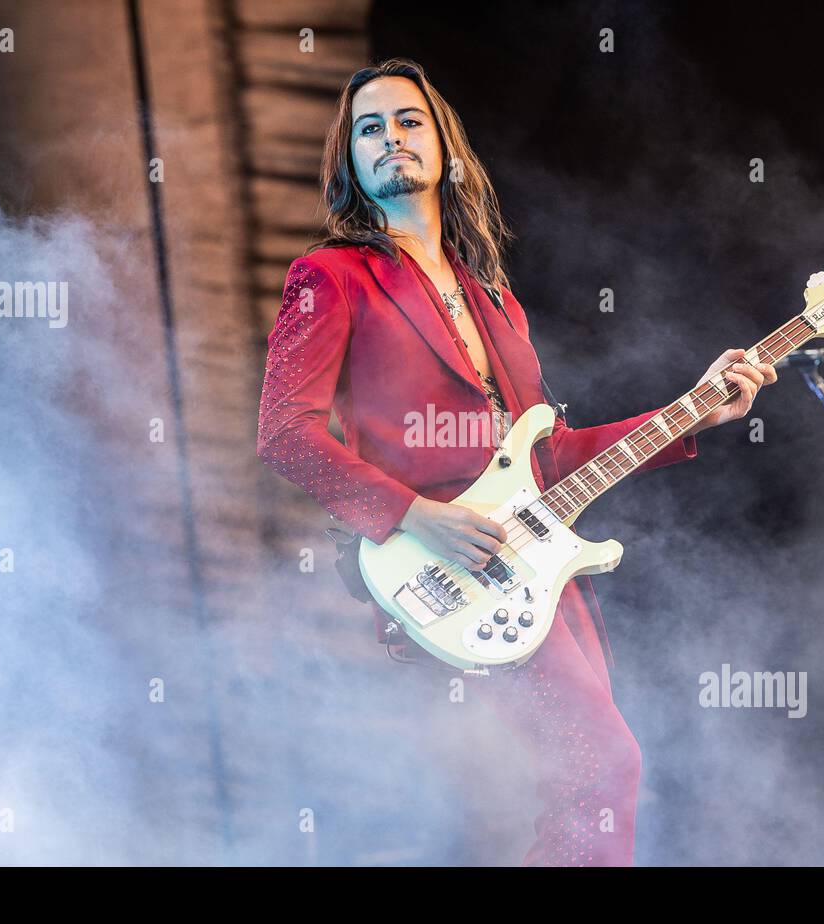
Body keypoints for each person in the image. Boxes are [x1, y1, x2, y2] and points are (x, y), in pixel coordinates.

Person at [257, 58, 777, 865]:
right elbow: (284, 434)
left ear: (446, 150)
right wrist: (413, 516)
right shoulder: (329, 276)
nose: (390, 137)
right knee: (600, 768)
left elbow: (550, 459)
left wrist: (693, 409)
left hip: (536, 571)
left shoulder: (495, 299)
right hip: (438, 564)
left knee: (594, 781)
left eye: (408, 121)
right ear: (350, 166)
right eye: (370, 128)